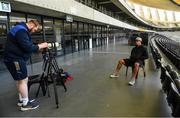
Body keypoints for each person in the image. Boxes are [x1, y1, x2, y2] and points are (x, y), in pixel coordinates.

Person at [4, 20, 48, 111]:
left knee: (20, 79)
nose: (34, 31)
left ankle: (22, 100)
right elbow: (28, 48)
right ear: (32, 25)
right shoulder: (21, 31)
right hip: (15, 59)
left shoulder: (19, 29)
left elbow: (24, 45)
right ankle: (25, 104)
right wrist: (41, 46)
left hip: (14, 58)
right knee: (22, 80)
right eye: (35, 29)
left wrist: (36, 46)